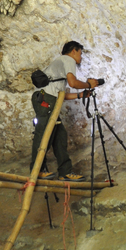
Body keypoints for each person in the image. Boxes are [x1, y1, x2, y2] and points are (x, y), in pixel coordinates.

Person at [31, 41, 99, 182]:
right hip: (45, 99)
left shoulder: (59, 66)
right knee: (43, 133)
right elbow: (73, 83)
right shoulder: (68, 59)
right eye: (80, 53)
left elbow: (62, 95)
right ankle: (36, 170)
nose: (80, 57)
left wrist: (81, 95)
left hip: (49, 99)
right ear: (73, 50)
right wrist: (88, 84)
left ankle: (65, 172)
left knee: (59, 135)